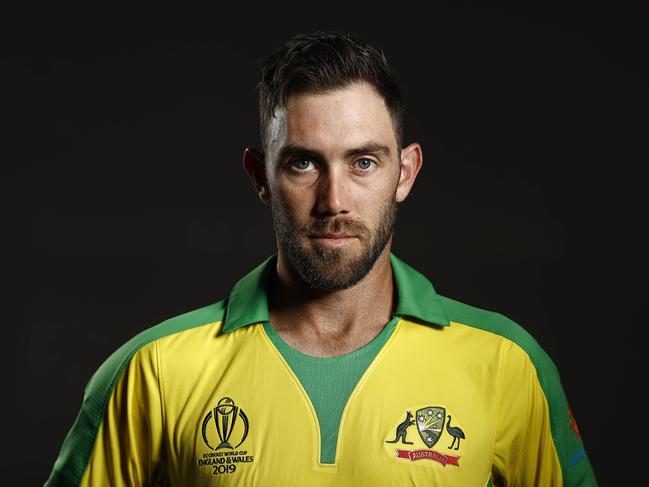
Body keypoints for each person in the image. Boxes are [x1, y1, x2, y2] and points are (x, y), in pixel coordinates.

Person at [44, 31, 597, 486]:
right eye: (304, 164)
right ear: (261, 177)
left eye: (362, 163)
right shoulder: (152, 370)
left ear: (404, 172)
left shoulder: (507, 365)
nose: (334, 201)